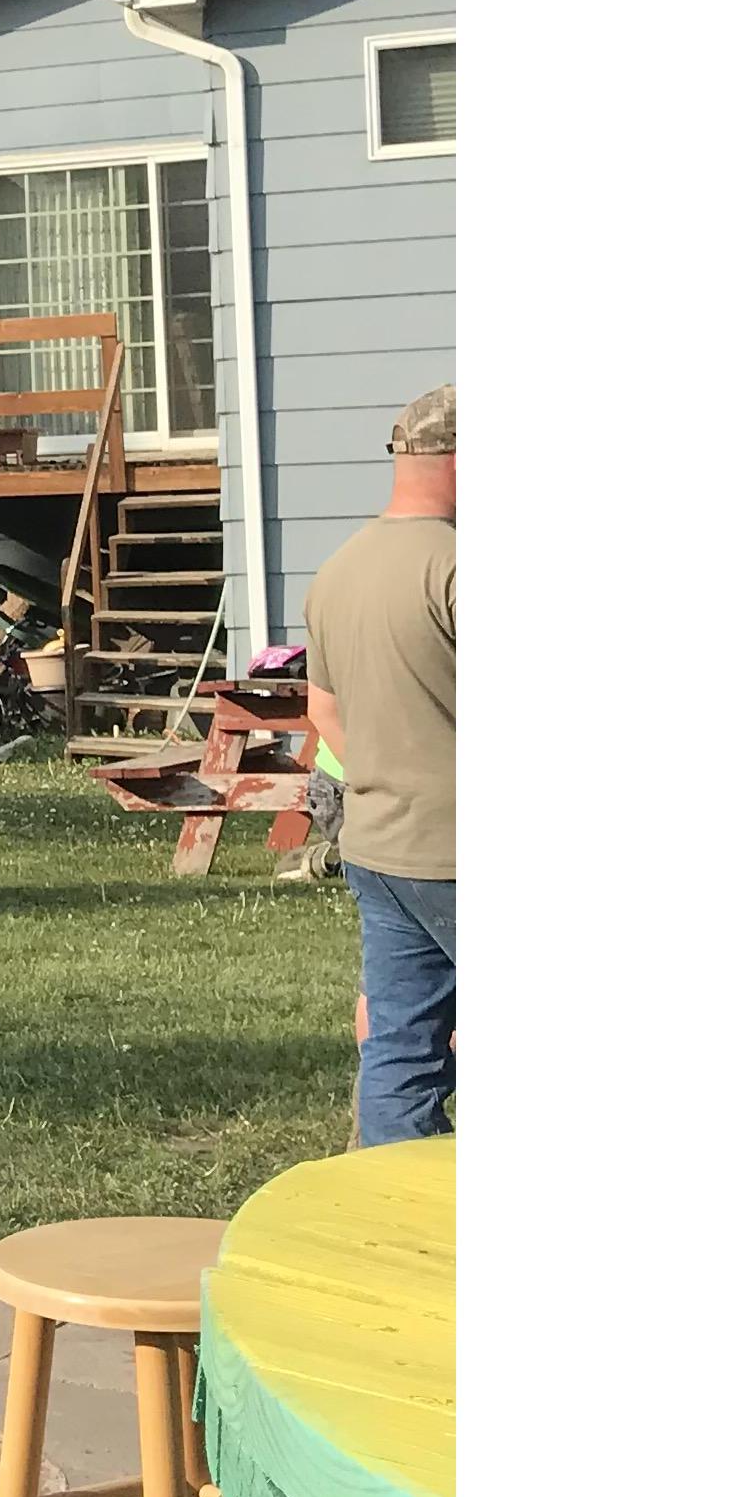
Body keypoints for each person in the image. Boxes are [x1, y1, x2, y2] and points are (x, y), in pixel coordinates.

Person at [305, 385, 457, 1143]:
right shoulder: (458, 567)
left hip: (379, 846)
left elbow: (322, 712)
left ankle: (394, 1204)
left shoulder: (339, 570)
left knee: (399, 1045)